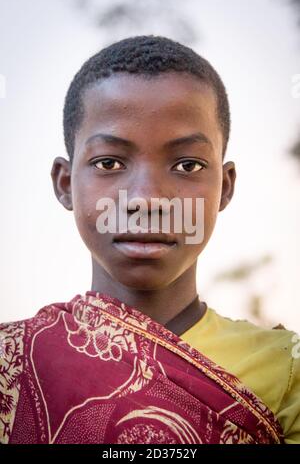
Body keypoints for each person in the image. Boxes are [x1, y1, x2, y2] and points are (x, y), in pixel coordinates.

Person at [0, 35, 299, 444]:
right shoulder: (10, 363)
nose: (146, 198)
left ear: (225, 187)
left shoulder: (286, 372)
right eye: (109, 162)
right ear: (66, 183)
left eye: (187, 164)